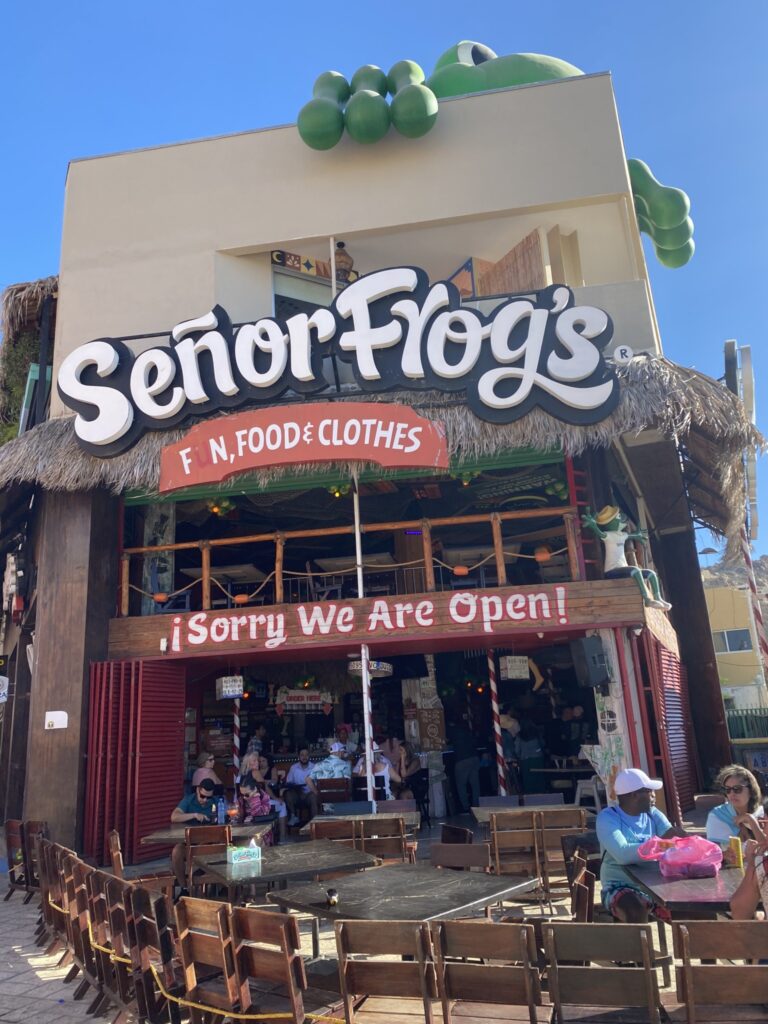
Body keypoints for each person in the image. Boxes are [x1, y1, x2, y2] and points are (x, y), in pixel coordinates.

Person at [596, 767, 687, 923]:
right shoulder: (608, 818)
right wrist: (664, 844)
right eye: (649, 791)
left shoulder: (653, 814)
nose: (653, 796)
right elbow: (623, 854)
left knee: (694, 910)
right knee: (635, 911)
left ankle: (689, 947)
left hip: (656, 884)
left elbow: (674, 840)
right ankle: (641, 948)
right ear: (634, 795)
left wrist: (680, 839)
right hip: (620, 885)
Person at [706, 764, 765, 854]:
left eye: (737, 789)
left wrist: (751, 820)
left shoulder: (761, 812)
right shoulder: (717, 816)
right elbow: (714, 853)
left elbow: (764, 848)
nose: (732, 794)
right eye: (728, 789)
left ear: (751, 790)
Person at [169, 778, 217, 887]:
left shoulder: (216, 802)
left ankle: (209, 880)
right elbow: (174, 817)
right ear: (197, 790)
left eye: (208, 797)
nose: (205, 800)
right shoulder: (188, 800)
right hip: (190, 841)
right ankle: (184, 887)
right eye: (203, 796)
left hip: (210, 842)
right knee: (177, 852)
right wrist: (194, 815)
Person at [730, 817, 768, 920]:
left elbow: (740, 913)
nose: (764, 831)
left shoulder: (764, 867)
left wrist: (753, 864)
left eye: (765, 824)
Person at [449, 716, 480, 813]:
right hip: (474, 758)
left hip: (461, 760)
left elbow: (445, 742)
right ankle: (476, 806)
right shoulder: (467, 729)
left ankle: (466, 808)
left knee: (461, 785)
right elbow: (475, 741)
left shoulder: (451, 731)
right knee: (475, 784)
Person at [253, 753, 288, 840]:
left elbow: (274, 782)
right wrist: (266, 782)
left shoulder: (272, 769)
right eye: (260, 761)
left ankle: (282, 836)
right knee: (280, 805)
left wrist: (264, 782)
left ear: (268, 761)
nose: (261, 763)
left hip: (271, 796)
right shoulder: (256, 771)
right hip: (260, 799)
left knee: (282, 804)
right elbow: (264, 784)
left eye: (263, 761)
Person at [305, 741, 352, 805]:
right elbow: (348, 784)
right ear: (339, 752)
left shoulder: (319, 765)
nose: (344, 754)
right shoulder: (346, 765)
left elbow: (308, 779)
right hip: (341, 803)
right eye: (343, 752)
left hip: (325, 804)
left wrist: (318, 794)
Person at [238, 773, 275, 846]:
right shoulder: (241, 799)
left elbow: (259, 815)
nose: (244, 797)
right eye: (242, 794)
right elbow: (238, 815)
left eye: (246, 795)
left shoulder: (263, 797)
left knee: (257, 840)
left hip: (261, 831)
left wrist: (255, 799)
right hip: (245, 830)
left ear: (254, 789)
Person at [284, 747, 317, 824]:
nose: (304, 757)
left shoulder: (314, 767)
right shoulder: (293, 767)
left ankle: (315, 823)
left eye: (306, 755)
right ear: (298, 756)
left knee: (313, 797)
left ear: (309, 756)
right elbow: (288, 782)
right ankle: (293, 816)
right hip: (297, 795)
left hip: (309, 795)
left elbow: (318, 783)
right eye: (302, 755)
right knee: (288, 794)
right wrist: (297, 788)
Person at [516, 719, 546, 792]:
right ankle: (542, 797)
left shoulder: (519, 735)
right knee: (539, 779)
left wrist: (519, 756)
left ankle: (530, 798)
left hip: (526, 760)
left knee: (528, 780)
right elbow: (543, 744)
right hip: (537, 759)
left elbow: (517, 749)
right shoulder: (537, 733)